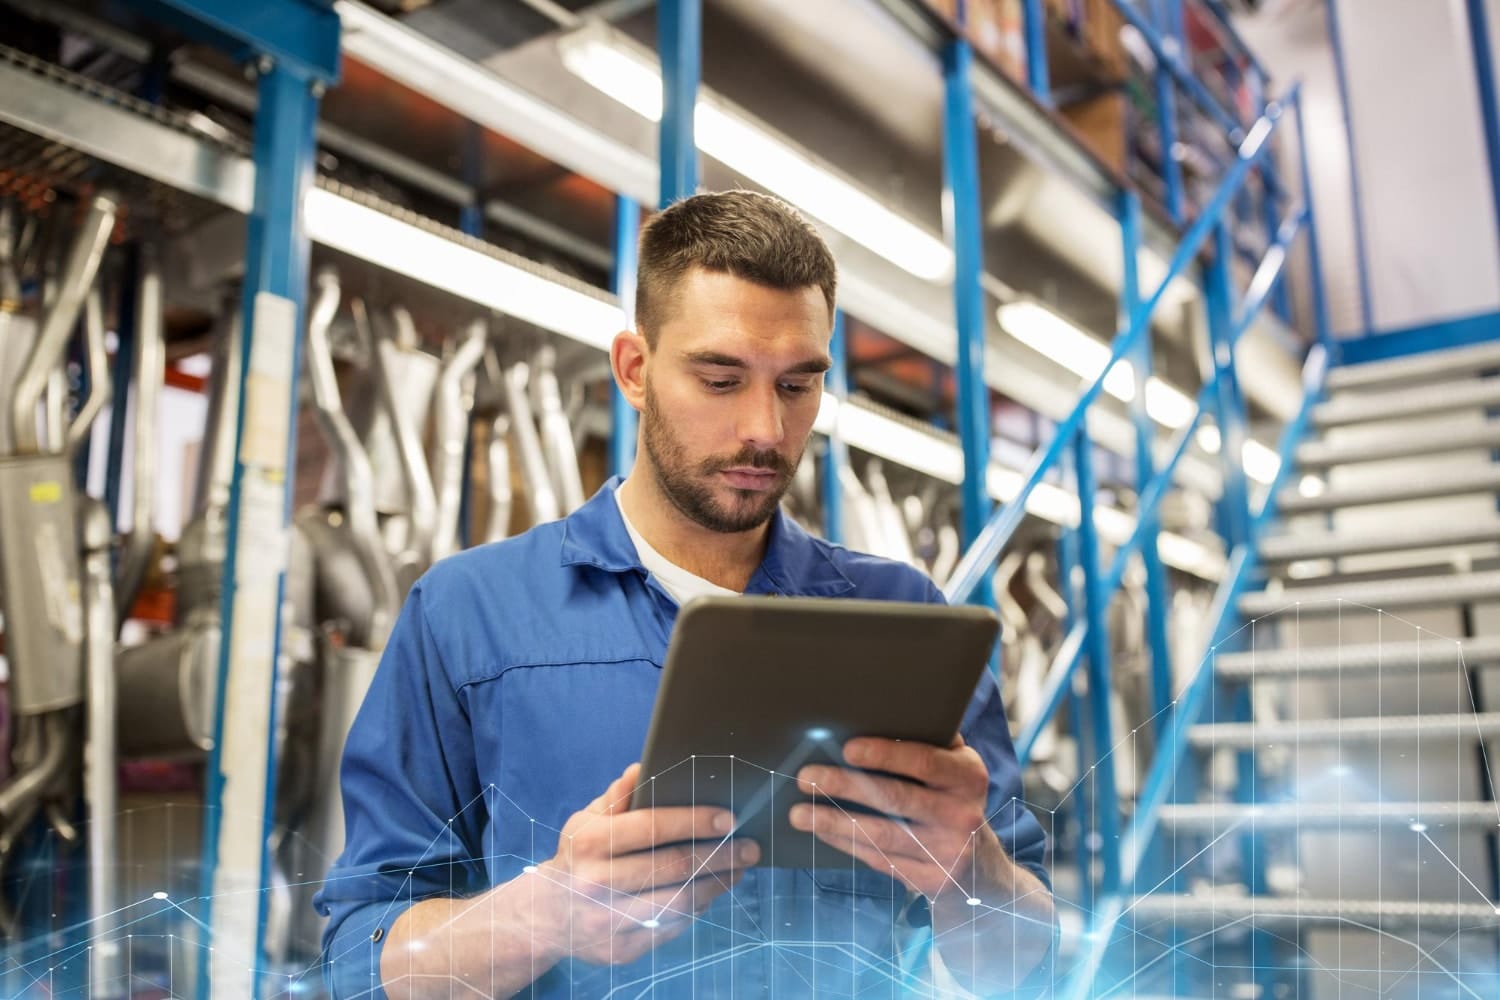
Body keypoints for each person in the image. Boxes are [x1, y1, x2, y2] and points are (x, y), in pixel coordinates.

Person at [316, 190, 1055, 998]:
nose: (765, 431)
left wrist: (968, 863)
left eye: (797, 386)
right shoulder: (469, 616)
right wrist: (546, 914)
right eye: (720, 379)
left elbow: (1027, 967)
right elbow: (361, 965)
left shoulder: (905, 623)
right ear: (635, 370)